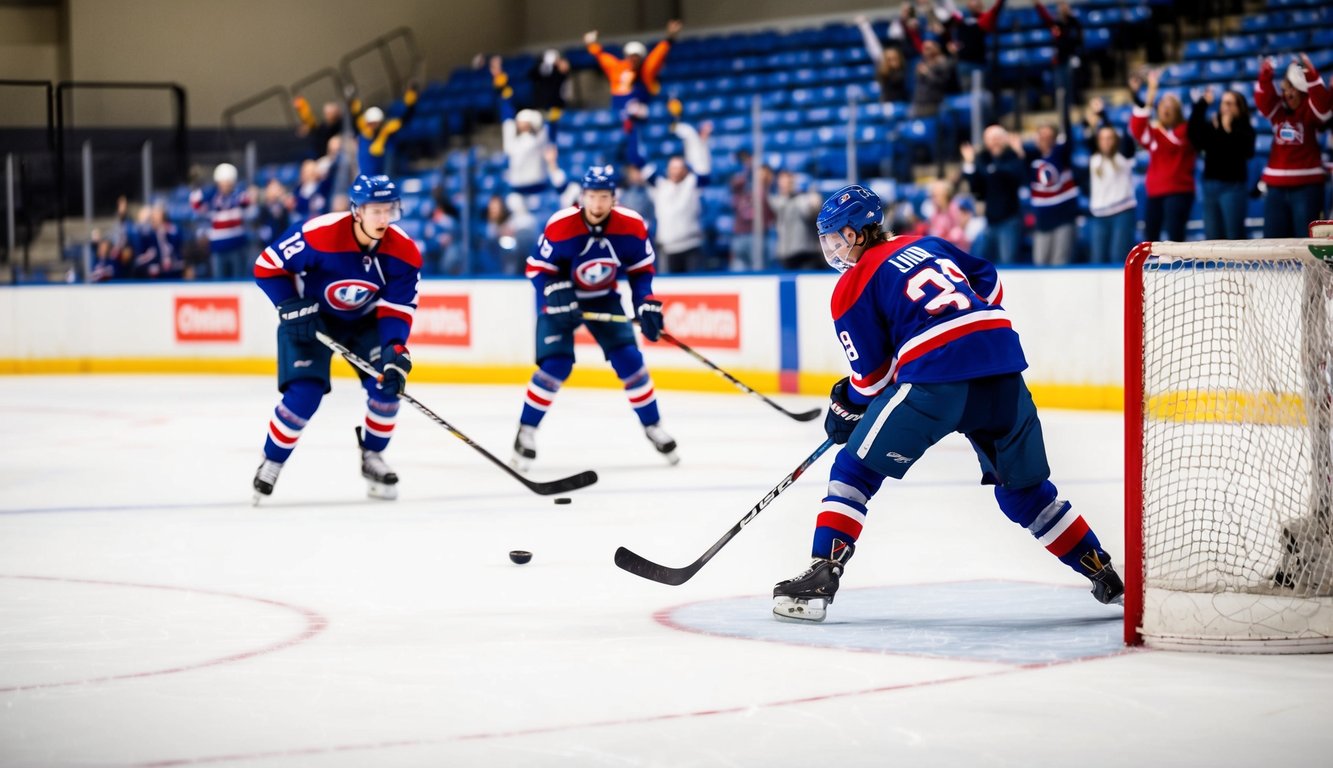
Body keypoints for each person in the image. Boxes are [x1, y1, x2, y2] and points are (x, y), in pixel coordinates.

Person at [771, 184, 1124, 622]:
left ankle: (823, 572)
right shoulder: (928, 244)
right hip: (1001, 365)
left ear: (860, 232)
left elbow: (872, 380)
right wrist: (957, 323)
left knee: (853, 469)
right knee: (1024, 493)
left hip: (937, 380)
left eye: (838, 236)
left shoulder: (851, 286)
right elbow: (989, 282)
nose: (833, 248)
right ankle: (1104, 572)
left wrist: (845, 405)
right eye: (826, 239)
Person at [250, 174, 422, 503]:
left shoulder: (404, 253)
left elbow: (398, 307)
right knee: (304, 395)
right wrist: (289, 304)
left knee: (387, 390)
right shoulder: (319, 234)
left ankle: (372, 457)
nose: (384, 218)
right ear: (357, 211)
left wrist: (394, 348)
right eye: (376, 211)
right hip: (310, 319)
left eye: (389, 210)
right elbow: (266, 265)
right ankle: (271, 461)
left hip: (365, 322)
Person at [510, 165, 679, 471]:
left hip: (603, 296)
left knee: (630, 361)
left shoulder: (631, 226)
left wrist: (646, 303)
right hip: (559, 299)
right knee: (556, 365)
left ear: (614, 198)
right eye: (592, 196)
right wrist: (553, 292)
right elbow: (535, 269)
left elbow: (641, 272)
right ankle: (526, 432)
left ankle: (653, 426)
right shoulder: (561, 225)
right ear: (582, 196)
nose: (597, 204)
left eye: (604, 197)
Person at [628, 105, 713, 273]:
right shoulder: (659, 185)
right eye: (672, 167)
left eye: (679, 167)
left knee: (695, 289)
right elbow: (637, 159)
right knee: (670, 292)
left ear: (685, 170)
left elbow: (703, 169)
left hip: (691, 246)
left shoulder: (692, 184)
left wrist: (690, 135)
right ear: (667, 170)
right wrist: (635, 126)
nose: (675, 171)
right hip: (667, 248)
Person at [1255, 54, 1331, 238]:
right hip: (1275, 186)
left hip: (1307, 186)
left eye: (1293, 90)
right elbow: (1262, 99)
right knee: (1271, 247)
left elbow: (1324, 107)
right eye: (1286, 89)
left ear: (1303, 92)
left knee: (1307, 246)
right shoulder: (1278, 112)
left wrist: (1311, 75)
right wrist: (1265, 74)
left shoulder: (1310, 112)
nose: (1288, 94)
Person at [1129, 69, 1196, 242]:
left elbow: (1173, 143)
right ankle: (1152, 268)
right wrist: (1149, 95)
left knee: (1175, 234)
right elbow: (1137, 129)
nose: (1166, 108)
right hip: (1155, 191)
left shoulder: (1186, 131)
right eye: (1163, 105)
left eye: (1170, 105)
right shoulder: (1155, 134)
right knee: (1150, 235)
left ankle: (1181, 268)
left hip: (1179, 190)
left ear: (1178, 110)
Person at [584, 20, 682, 133]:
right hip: (618, 112)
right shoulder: (617, 68)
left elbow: (658, 54)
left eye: (636, 57)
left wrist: (670, 37)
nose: (633, 60)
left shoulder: (646, 70)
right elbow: (601, 56)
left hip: (641, 116)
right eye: (631, 56)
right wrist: (591, 44)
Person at [1187, 87, 1256, 241]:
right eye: (1224, 103)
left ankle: (1237, 266)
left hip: (1233, 187)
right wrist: (1202, 104)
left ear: (1240, 107)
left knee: (1234, 237)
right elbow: (1193, 135)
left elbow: (1246, 152)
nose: (1226, 107)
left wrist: (1227, 129)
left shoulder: (1245, 129)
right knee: (1212, 238)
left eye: (1231, 104)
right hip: (1210, 187)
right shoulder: (1212, 126)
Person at [1083, 97, 1138, 263]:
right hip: (1099, 215)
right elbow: (1086, 131)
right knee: (1097, 259)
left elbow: (1127, 144)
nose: (1106, 142)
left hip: (1122, 213)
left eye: (1110, 138)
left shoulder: (1123, 156)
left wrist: (1103, 115)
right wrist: (1092, 117)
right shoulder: (1095, 158)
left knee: (1118, 258)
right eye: (1102, 138)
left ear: (1116, 139)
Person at [961, 125, 1025, 264]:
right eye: (991, 139)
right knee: (982, 261)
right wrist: (969, 163)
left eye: (998, 138)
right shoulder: (983, 159)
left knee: (1008, 262)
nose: (995, 142)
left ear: (1005, 139)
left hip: (1009, 220)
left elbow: (1018, 177)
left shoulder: (1012, 156)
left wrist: (1019, 155)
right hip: (990, 221)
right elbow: (977, 189)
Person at [1025, 119, 1078, 266]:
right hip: (1042, 222)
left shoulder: (1061, 155)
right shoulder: (1031, 158)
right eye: (1041, 136)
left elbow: (1069, 137)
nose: (1044, 140)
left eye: (1048, 137)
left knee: (1060, 262)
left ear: (1055, 139)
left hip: (1063, 219)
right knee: (1039, 263)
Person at [189, 162, 254, 280]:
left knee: (238, 280)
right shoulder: (211, 195)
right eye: (223, 181)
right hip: (218, 247)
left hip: (237, 245)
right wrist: (202, 187)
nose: (226, 184)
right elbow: (195, 203)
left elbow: (248, 202)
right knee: (219, 282)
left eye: (228, 180)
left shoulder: (239, 194)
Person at [770, 170, 824, 270]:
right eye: (782, 182)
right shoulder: (778, 200)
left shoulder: (804, 198)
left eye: (789, 182)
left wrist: (808, 195)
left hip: (807, 252)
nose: (786, 185)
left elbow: (810, 211)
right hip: (786, 254)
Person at [855, 15, 911, 103]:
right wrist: (865, 27)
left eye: (894, 58)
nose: (892, 61)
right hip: (887, 103)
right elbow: (874, 48)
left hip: (902, 104)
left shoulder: (904, 71)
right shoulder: (883, 72)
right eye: (889, 59)